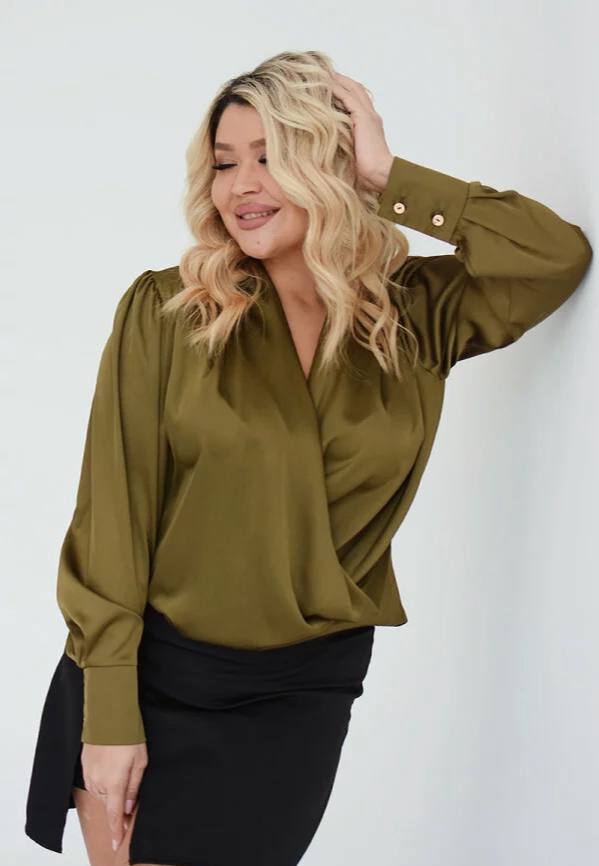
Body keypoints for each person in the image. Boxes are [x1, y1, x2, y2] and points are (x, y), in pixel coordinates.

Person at [24, 50, 592, 866]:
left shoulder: (411, 316)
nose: (241, 186)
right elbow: (112, 516)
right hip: (151, 676)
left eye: (271, 156)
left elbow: (553, 257)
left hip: (301, 694)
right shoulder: (168, 311)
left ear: (329, 165)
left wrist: (388, 175)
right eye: (225, 163)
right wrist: (109, 711)